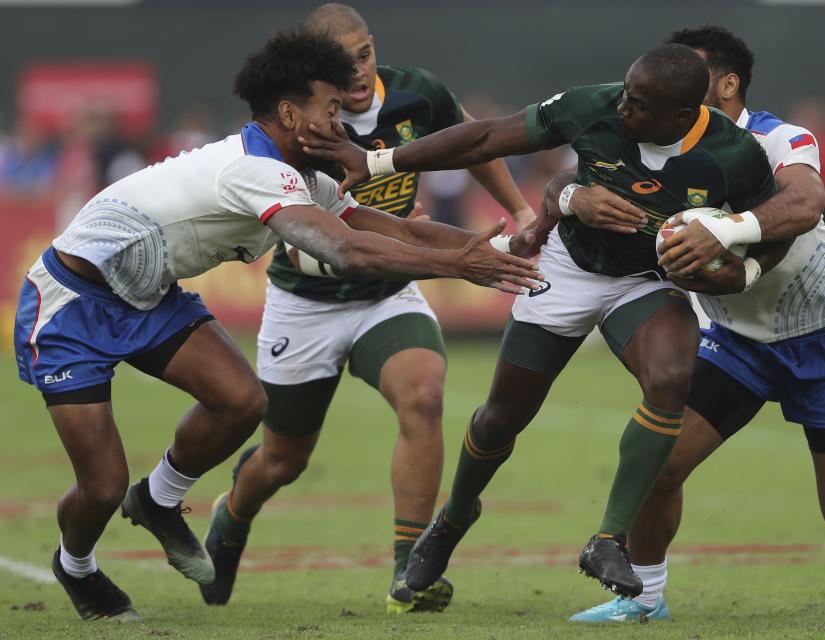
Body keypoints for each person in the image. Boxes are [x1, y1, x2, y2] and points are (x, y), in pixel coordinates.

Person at [12, 27, 540, 622]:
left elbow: (388, 228)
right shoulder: (254, 169)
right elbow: (348, 252)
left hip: (147, 296)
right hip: (72, 301)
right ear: (291, 113)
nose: (343, 123)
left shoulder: (303, 173)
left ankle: (158, 499)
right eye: (332, 109)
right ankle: (75, 564)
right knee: (102, 487)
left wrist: (478, 248)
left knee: (241, 401)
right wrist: (456, 265)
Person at [301, 43, 822, 598]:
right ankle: (452, 519)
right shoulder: (593, 106)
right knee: (502, 417)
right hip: (569, 267)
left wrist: (743, 275)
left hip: (646, 281)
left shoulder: (733, 154)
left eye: (638, 104)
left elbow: (782, 226)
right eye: (625, 92)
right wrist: (379, 161)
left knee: (672, 376)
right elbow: (485, 136)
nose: (623, 107)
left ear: (682, 115)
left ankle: (608, 539)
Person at [566, 25, 825, 623]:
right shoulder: (662, 149)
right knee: (659, 465)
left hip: (824, 341)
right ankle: (644, 598)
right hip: (735, 342)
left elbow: (805, 205)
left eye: (683, 73)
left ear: (726, 84)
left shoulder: (780, 138)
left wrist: (724, 230)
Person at [200, 4, 537, 615]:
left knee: (424, 394)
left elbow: (474, 140)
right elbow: (319, 230)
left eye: (365, 53)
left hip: (386, 293)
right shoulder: (301, 123)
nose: (357, 72)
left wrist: (519, 209)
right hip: (305, 302)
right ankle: (231, 517)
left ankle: (409, 571)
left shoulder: (417, 94)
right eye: (342, 61)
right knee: (282, 460)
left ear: (374, 47)